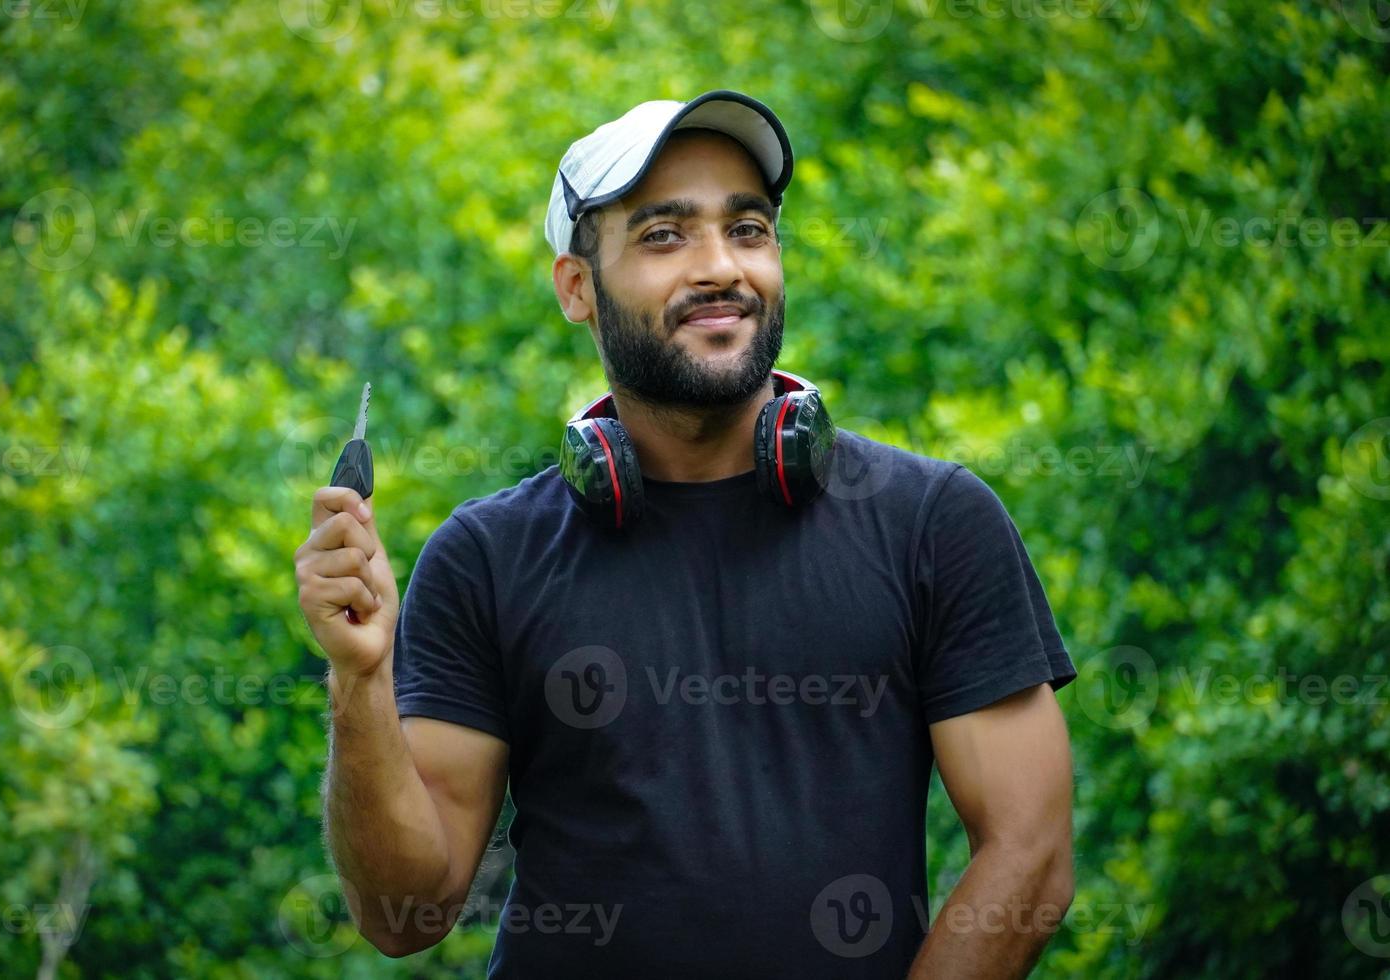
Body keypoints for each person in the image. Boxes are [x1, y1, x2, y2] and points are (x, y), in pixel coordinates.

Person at [294, 89, 1077, 978]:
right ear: (577, 286)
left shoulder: (934, 523)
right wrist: (360, 679)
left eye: (748, 229)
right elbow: (411, 910)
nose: (720, 267)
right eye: (664, 236)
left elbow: (1031, 857)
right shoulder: (486, 557)